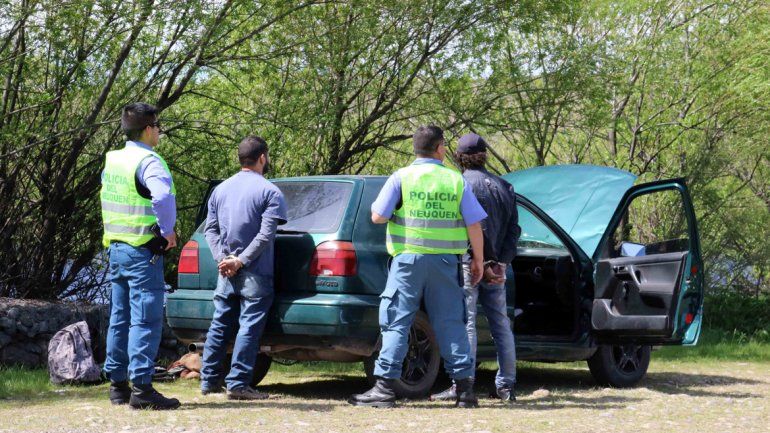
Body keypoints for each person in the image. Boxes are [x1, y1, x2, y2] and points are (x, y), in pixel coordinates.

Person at [348, 126, 487, 408]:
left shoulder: (401, 177)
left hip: (408, 260)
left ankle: (385, 389)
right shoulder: (455, 180)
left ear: (415, 148)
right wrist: (478, 260)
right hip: (446, 261)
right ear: (440, 148)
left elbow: (377, 216)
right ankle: (465, 390)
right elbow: (474, 224)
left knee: (397, 321)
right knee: (451, 323)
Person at [430, 132, 520, 403]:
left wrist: (481, 260)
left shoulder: (459, 184)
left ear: (459, 157)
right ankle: (506, 387)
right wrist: (500, 263)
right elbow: (513, 230)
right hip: (498, 268)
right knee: (501, 325)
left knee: (467, 323)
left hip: (470, 263)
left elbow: (471, 227)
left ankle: (464, 384)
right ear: (485, 156)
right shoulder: (505, 186)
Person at [101, 102, 180, 410]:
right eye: (157, 127)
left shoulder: (113, 160)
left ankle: (118, 386)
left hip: (116, 247)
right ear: (148, 130)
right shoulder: (150, 161)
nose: (158, 132)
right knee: (145, 319)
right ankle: (143, 390)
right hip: (142, 250)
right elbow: (161, 196)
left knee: (119, 318)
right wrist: (167, 230)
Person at [199, 135, 287, 400]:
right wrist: (240, 261)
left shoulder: (220, 190)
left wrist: (222, 260)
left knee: (219, 324)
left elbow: (210, 230)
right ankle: (237, 384)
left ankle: (208, 381)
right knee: (249, 326)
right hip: (255, 271)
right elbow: (265, 235)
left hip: (226, 270)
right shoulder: (270, 191)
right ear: (262, 157)